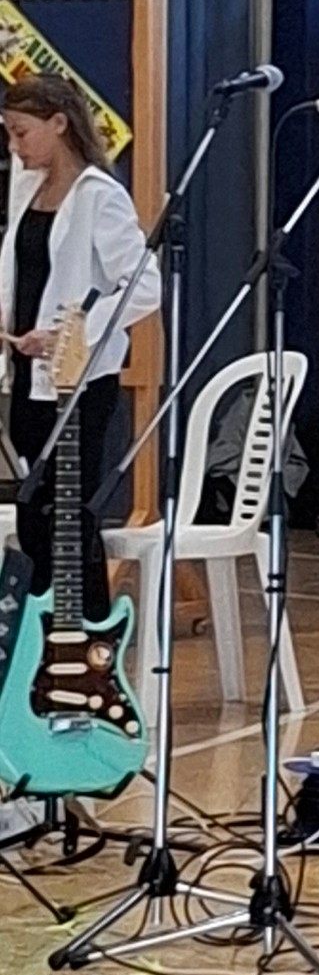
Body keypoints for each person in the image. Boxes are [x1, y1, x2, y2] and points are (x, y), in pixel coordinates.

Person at [2, 69, 159, 624]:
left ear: (59, 123)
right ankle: (41, 634)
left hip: (79, 382)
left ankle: (85, 630)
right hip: (28, 375)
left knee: (67, 516)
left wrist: (73, 333)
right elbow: (21, 274)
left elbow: (143, 286)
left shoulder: (99, 196)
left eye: (21, 132)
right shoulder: (26, 189)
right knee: (33, 514)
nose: (14, 146)